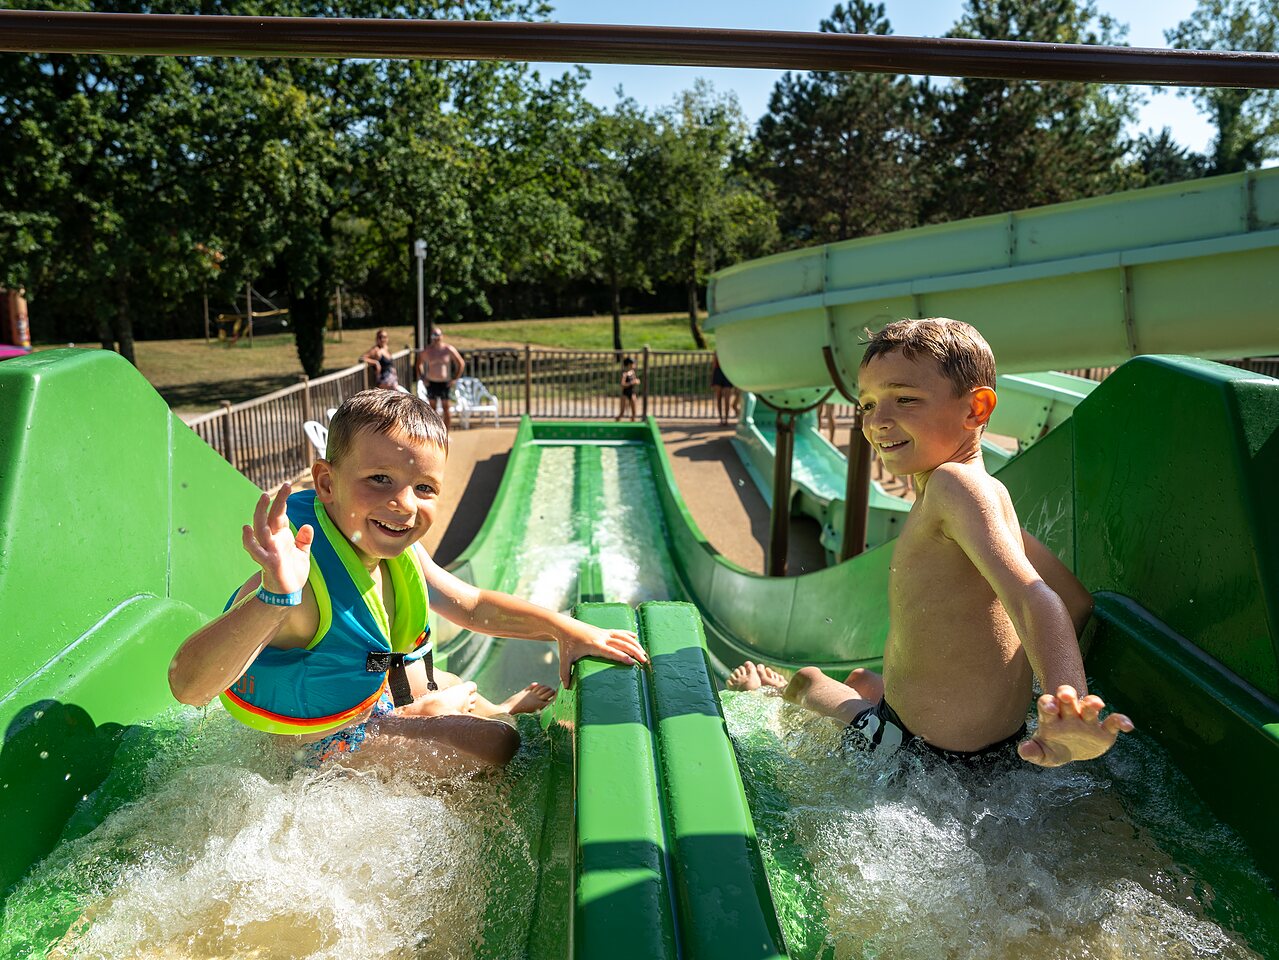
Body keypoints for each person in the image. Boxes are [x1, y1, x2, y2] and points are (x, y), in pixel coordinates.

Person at [169, 389, 648, 774]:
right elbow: (188, 686)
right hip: (313, 755)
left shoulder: (398, 551)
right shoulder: (301, 583)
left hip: (368, 707)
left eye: (424, 488)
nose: (404, 503)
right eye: (379, 478)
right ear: (327, 483)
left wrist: (564, 629)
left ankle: (469, 705)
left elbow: (473, 606)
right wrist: (275, 598)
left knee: (459, 686)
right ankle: (442, 713)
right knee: (496, 741)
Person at [727, 318, 1132, 769]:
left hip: (916, 753)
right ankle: (867, 689)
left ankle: (775, 690)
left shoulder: (950, 485)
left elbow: (1035, 597)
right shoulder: (987, 494)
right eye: (866, 405)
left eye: (905, 399)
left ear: (975, 409)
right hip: (999, 751)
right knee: (864, 679)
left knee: (806, 680)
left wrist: (1065, 701)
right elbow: (1075, 602)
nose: (878, 422)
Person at [416, 326, 465, 431]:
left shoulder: (448, 349)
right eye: (434, 335)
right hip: (432, 382)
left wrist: (454, 379)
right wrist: (423, 378)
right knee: (432, 409)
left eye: (438, 335)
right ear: (431, 337)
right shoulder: (427, 351)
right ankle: (434, 431)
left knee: (446, 407)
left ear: (442, 336)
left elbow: (460, 363)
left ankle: (446, 432)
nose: (436, 338)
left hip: (444, 383)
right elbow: (418, 364)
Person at [710, 352, 738, 427]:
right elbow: (714, 365)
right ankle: (721, 419)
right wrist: (712, 380)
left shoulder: (730, 351)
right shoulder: (717, 351)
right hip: (718, 373)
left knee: (727, 399)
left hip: (728, 374)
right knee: (718, 398)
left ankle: (726, 419)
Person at [616, 356, 640, 422]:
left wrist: (636, 381)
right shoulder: (625, 374)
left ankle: (633, 425)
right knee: (622, 413)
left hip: (632, 393)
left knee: (634, 413)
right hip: (625, 393)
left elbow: (635, 381)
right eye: (633, 364)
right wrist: (632, 382)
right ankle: (616, 423)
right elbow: (622, 385)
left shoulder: (633, 372)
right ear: (629, 364)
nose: (634, 365)